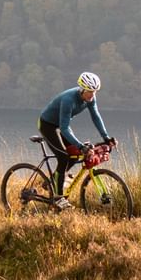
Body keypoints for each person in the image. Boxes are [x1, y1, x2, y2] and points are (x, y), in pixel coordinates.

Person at [39, 70, 114, 208]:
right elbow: (64, 128)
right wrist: (81, 146)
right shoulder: (69, 100)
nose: (92, 95)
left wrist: (106, 137)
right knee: (63, 157)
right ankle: (58, 197)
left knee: (74, 154)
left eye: (95, 91)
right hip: (48, 125)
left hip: (61, 125)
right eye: (90, 91)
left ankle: (52, 182)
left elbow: (96, 116)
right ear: (82, 89)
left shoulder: (90, 98)